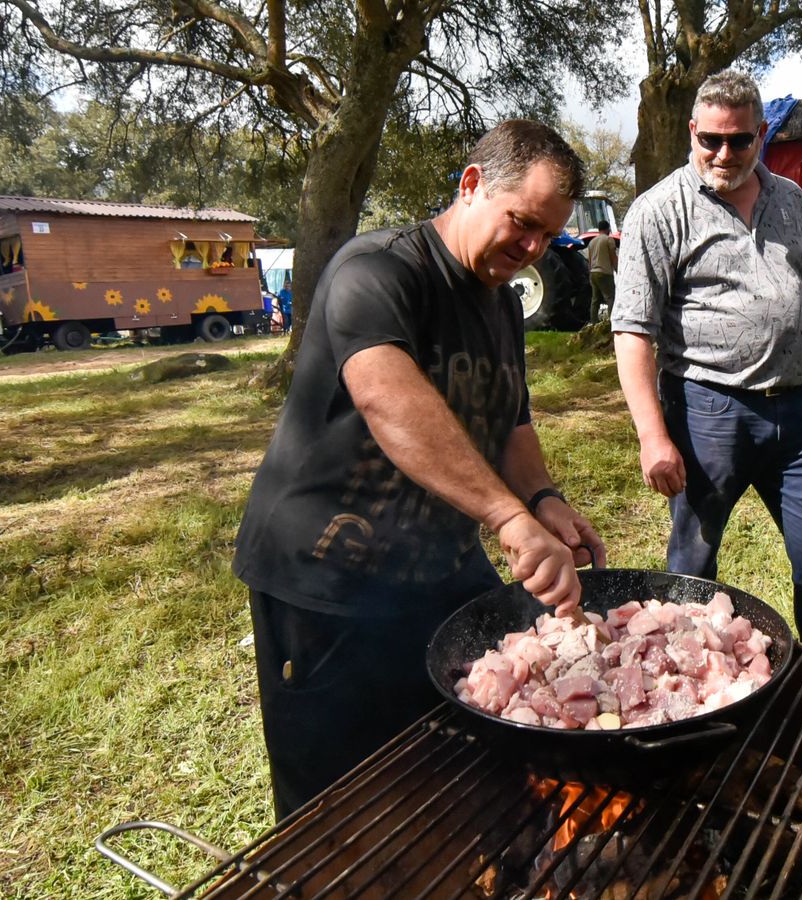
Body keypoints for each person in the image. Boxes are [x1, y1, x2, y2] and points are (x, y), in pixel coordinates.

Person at [233, 120, 607, 821]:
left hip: (438, 567)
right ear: (471, 185)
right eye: (522, 223)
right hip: (326, 575)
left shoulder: (502, 305)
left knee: (470, 752)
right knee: (336, 802)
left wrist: (543, 499)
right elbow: (388, 398)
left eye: (547, 237)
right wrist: (509, 518)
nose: (532, 250)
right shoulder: (375, 270)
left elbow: (511, 419)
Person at [612, 69, 802, 645]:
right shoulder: (659, 210)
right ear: (693, 131)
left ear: (761, 135)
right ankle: (685, 675)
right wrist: (652, 437)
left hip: (798, 415)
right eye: (711, 139)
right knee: (693, 564)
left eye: (739, 140)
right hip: (707, 413)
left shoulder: (791, 200)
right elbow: (632, 331)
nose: (724, 153)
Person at [586, 219, 617, 324]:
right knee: (610, 297)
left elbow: (589, 260)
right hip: (604, 273)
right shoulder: (609, 240)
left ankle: (593, 322)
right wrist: (617, 270)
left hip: (593, 273)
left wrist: (590, 274)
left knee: (595, 300)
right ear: (608, 229)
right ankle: (612, 322)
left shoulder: (592, 242)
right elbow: (613, 257)